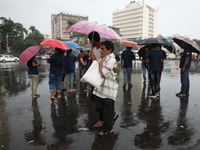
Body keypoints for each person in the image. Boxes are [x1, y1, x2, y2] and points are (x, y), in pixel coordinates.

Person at [92, 40, 119, 136]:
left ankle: (108, 129)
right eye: (100, 49)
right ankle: (113, 114)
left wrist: (99, 65)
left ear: (109, 50)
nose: (101, 51)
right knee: (98, 107)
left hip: (108, 89)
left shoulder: (111, 60)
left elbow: (103, 74)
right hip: (99, 88)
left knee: (107, 111)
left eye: (103, 49)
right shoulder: (103, 59)